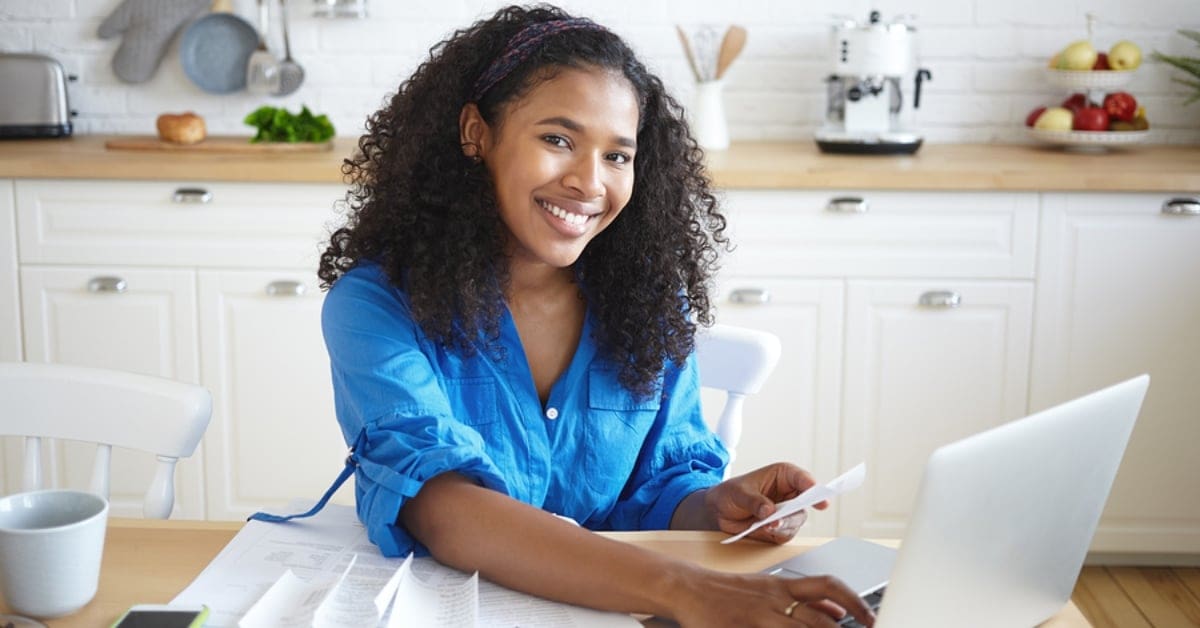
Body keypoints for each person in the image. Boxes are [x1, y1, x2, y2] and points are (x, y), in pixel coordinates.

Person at [314, 5, 874, 626]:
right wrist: (690, 591)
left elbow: (660, 490)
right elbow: (444, 509)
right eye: (558, 140)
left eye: (617, 155)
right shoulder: (377, 305)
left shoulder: (648, 303)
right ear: (477, 133)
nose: (589, 182)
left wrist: (716, 507)